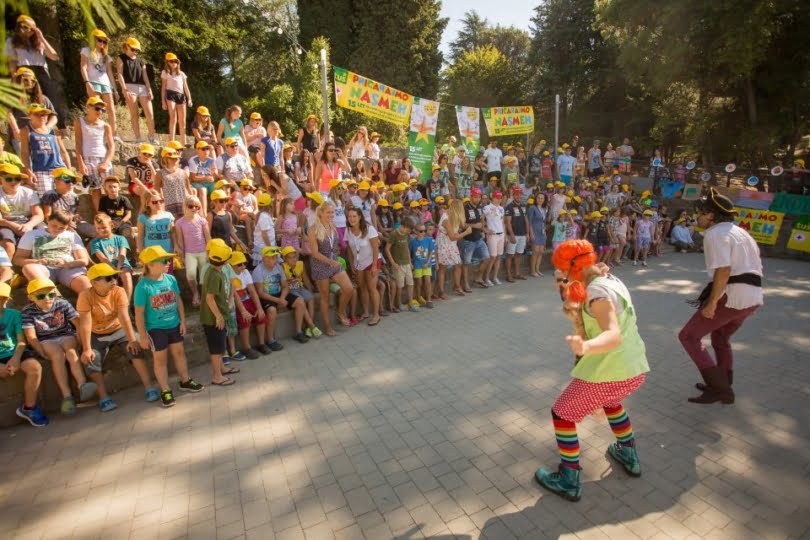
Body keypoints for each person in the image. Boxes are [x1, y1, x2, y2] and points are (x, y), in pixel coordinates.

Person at [535, 239, 650, 501]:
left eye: (562, 270)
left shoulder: (597, 293)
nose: (560, 277)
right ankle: (628, 453)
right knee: (611, 403)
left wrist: (586, 346)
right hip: (633, 367)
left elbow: (613, 335)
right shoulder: (609, 280)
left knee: (562, 414)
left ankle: (569, 479)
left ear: (572, 267)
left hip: (608, 369)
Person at [678, 187, 763, 404]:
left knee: (688, 336)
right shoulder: (740, 232)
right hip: (752, 297)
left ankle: (720, 389)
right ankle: (723, 383)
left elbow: (723, 270)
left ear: (711, 215)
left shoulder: (716, 234)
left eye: (702, 212)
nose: (698, 216)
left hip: (732, 296)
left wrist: (712, 303)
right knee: (720, 337)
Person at [78, 263, 158, 411]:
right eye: (108, 278)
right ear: (94, 282)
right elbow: (85, 324)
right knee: (91, 358)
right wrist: (87, 348)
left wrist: (133, 339)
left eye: (115, 276)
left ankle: (149, 387)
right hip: (97, 334)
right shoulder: (85, 296)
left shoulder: (119, 291)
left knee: (136, 348)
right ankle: (104, 397)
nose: (114, 281)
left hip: (119, 329)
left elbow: (124, 316)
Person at [134, 246, 204, 407]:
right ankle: (165, 390)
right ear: (151, 265)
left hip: (174, 324)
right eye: (164, 261)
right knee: (160, 360)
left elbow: (178, 300)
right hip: (155, 329)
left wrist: (183, 321)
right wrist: (143, 336)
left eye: (169, 260)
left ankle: (185, 380)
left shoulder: (170, 279)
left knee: (179, 353)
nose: (168, 263)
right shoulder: (142, 287)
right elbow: (139, 313)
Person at [22, 278, 97, 415]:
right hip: (45, 340)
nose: (48, 299)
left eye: (51, 294)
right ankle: (67, 396)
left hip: (66, 334)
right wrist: (40, 351)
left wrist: (81, 342)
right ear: (31, 298)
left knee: (71, 352)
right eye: (41, 296)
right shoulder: (28, 312)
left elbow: (78, 323)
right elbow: (31, 336)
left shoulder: (62, 304)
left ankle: (82, 384)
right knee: (57, 356)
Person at [0, 282, 48, 426]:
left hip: (14, 352)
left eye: (2, 298)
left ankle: (29, 408)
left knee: (35, 368)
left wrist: (15, 359)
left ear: (6, 300)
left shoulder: (14, 314)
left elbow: (21, 341)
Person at [13, 208, 91, 294]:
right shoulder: (31, 235)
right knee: (29, 268)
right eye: (54, 225)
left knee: (86, 285)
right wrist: (37, 261)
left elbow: (84, 260)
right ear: (48, 219)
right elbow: (17, 259)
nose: (57, 229)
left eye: (62, 228)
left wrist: (68, 264)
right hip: (42, 268)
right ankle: (53, 296)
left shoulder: (72, 236)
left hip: (67, 268)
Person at [5, 15, 63, 127]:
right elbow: (12, 61)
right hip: (22, 71)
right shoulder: (11, 41)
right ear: (18, 27)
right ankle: (22, 127)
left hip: (40, 71)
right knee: (22, 100)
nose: (28, 31)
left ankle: (60, 127)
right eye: (25, 27)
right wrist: (14, 78)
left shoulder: (38, 42)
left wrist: (41, 37)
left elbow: (54, 56)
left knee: (51, 98)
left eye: (31, 28)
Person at [308, 202, 353, 335]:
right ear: (321, 213)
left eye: (332, 212)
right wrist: (331, 262)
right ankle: (327, 326)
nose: (331, 215)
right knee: (325, 297)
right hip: (320, 265)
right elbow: (315, 253)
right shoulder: (313, 229)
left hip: (333, 262)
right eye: (328, 212)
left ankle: (340, 312)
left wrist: (335, 260)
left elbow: (335, 247)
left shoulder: (332, 226)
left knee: (349, 289)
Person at [201, 242, 240, 386]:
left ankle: (222, 368)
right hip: (213, 319)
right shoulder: (214, 275)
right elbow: (209, 298)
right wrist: (218, 316)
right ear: (224, 260)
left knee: (220, 344)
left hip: (219, 316)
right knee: (216, 348)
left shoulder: (215, 271)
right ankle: (217, 376)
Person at [253, 245, 309, 345]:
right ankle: (270, 340)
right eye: (271, 258)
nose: (274, 260)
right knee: (272, 310)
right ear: (264, 258)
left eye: (275, 257)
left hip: (280, 294)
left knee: (300, 301)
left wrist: (282, 298)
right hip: (267, 296)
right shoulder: (258, 271)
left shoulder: (278, 267)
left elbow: (285, 286)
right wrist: (278, 301)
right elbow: (260, 293)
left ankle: (298, 332)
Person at [20, 103, 70, 197]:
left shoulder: (53, 130)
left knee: (66, 197)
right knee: (47, 199)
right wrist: (28, 171)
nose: (41, 117)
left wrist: (69, 169)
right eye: (37, 114)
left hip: (60, 168)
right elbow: (24, 153)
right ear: (30, 115)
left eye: (43, 114)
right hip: (41, 170)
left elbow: (63, 151)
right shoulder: (26, 131)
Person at [229, 251, 272, 356]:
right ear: (231, 265)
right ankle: (246, 348)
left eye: (244, 263)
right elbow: (234, 296)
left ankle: (261, 344)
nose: (243, 266)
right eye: (239, 264)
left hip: (246, 299)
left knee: (261, 316)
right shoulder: (230, 275)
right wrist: (243, 311)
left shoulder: (245, 272)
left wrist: (259, 308)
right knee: (245, 320)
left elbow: (252, 291)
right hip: (236, 302)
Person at [80, 29, 120, 141]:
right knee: (95, 108)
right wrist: (87, 82)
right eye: (100, 40)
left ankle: (114, 134)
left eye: (104, 41)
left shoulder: (106, 56)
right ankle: (95, 132)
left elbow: (110, 73)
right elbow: (83, 67)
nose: (102, 43)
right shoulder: (86, 51)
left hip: (105, 83)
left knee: (111, 108)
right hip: (93, 81)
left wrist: (115, 90)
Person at [116, 37, 157, 144]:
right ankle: (138, 137)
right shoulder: (121, 58)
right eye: (133, 49)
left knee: (150, 113)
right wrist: (124, 89)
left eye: (137, 50)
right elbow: (119, 74)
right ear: (127, 46)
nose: (135, 52)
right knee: (134, 113)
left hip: (142, 87)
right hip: (129, 86)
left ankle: (151, 136)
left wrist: (149, 90)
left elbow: (145, 76)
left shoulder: (141, 61)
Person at [6, 67, 57, 154]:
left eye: (32, 81)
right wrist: (15, 130)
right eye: (25, 80)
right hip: (21, 134)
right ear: (18, 80)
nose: (29, 83)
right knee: (27, 161)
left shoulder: (43, 98)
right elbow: (8, 113)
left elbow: (54, 116)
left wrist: (47, 128)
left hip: (41, 135)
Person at [345, 208, 381, 325]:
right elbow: (349, 250)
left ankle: (376, 315)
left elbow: (376, 248)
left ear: (360, 217)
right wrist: (352, 265)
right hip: (358, 263)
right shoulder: (348, 230)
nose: (352, 219)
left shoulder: (369, 229)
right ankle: (365, 312)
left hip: (372, 261)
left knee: (372, 288)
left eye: (354, 216)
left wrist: (375, 266)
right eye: (350, 216)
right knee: (362, 288)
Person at [0, 162, 43, 260]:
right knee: (8, 244)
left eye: (17, 179)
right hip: (6, 223)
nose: (14, 182)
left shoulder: (28, 192)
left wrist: (29, 225)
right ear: (1, 180)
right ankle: (6, 270)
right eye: (9, 179)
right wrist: (13, 225)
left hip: (28, 221)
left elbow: (39, 215)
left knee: (44, 235)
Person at [40, 168, 95, 239]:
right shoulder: (50, 195)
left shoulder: (74, 196)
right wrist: (65, 224)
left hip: (73, 223)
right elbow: (48, 215)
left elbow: (75, 213)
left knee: (98, 232)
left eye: (73, 181)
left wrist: (77, 217)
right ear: (56, 181)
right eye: (68, 180)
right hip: (57, 225)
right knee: (75, 238)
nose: (71, 183)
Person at [175, 195, 210, 307]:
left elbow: (208, 237)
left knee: (204, 275)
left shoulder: (202, 220)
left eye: (197, 206)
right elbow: (180, 240)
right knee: (190, 275)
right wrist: (182, 256)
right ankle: (196, 293)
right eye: (191, 206)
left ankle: (205, 295)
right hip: (189, 253)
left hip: (203, 251)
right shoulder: (179, 223)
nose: (194, 208)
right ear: (185, 206)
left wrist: (210, 252)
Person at [89, 214, 134, 300]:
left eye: (104, 227)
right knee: (111, 282)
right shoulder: (95, 243)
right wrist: (112, 268)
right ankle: (115, 304)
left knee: (126, 276)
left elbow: (122, 254)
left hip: (122, 264)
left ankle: (126, 303)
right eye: (98, 228)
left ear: (111, 225)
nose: (101, 230)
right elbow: (102, 258)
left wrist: (119, 266)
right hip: (107, 266)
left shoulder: (121, 238)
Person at [280, 247, 322, 337]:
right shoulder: (283, 267)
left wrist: (310, 290)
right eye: (290, 258)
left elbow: (305, 278)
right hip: (290, 289)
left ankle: (308, 327)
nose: (293, 259)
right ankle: (312, 326)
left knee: (310, 298)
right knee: (301, 301)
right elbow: (282, 284)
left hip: (300, 287)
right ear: (284, 259)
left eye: (294, 257)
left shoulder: (300, 264)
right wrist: (288, 281)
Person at [458, 188, 491, 291]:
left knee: (486, 258)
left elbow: (481, 220)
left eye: (479, 197)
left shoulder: (480, 207)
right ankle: (465, 284)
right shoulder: (465, 207)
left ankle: (478, 277)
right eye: (475, 197)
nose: (477, 199)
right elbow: (461, 224)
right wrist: (474, 225)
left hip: (478, 238)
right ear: (471, 196)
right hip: (467, 240)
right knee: (466, 263)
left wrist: (483, 229)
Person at [137, 190, 175, 266]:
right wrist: (141, 252)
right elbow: (140, 236)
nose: (158, 204)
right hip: (151, 253)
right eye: (154, 202)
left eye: (161, 201)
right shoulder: (143, 217)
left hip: (167, 251)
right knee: (152, 275)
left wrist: (176, 247)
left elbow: (173, 233)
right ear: (147, 203)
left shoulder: (168, 215)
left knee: (167, 273)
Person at [161, 52, 192, 145]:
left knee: (182, 120)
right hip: (170, 94)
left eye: (176, 61)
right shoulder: (165, 73)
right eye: (171, 61)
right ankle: (172, 141)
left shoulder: (181, 74)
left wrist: (189, 98)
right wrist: (163, 101)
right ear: (167, 62)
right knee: (173, 118)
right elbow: (163, 87)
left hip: (181, 95)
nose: (174, 63)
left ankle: (184, 142)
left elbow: (186, 87)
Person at [154, 148, 192, 218]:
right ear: (165, 159)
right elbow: (156, 189)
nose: (174, 160)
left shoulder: (183, 172)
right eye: (171, 158)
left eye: (176, 158)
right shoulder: (160, 173)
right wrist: (160, 202)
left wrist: (192, 200)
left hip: (183, 202)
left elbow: (188, 187)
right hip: (168, 204)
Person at [504, 187, 529, 282]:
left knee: (519, 254)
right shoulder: (509, 206)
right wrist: (512, 235)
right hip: (513, 235)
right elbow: (508, 222)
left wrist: (527, 233)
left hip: (522, 234)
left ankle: (517, 273)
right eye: (517, 194)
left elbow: (526, 220)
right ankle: (508, 275)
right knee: (510, 255)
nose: (519, 196)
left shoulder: (523, 205)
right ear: (513, 195)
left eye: (520, 194)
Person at [98, 175, 134, 241]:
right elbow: (102, 214)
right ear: (105, 188)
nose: (112, 189)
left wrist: (120, 222)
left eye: (115, 187)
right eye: (110, 187)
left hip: (123, 222)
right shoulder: (103, 200)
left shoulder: (124, 199)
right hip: (109, 223)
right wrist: (109, 223)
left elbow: (128, 214)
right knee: (105, 234)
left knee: (127, 233)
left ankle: (132, 250)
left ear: (119, 188)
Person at [409, 221, 435, 309]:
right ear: (415, 231)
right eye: (421, 231)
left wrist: (428, 262)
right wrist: (410, 263)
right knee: (418, 282)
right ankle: (418, 297)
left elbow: (431, 251)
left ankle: (429, 299)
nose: (423, 233)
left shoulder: (428, 240)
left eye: (424, 231)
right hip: (417, 264)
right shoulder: (413, 242)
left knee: (427, 281)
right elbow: (409, 252)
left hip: (427, 264)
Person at [483, 191, 506, 286]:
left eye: (500, 197)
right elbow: (482, 220)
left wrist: (505, 235)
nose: (499, 199)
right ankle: (486, 278)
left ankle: (495, 277)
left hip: (501, 234)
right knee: (493, 257)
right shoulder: (487, 208)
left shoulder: (501, 208)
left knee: (498, 257)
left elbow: (502, 222)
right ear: (493, 198)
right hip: (492, 235)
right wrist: (485, 230)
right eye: (497, 197)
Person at [126, 143, 157, 208]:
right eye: (144, 153)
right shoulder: (132, 161)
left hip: (149, 185)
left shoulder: (154, 163)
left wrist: (151, 166)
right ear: (139, 152)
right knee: (143, 191)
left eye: (149, 155)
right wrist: (145, 188)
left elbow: (156, 179)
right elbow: (134, 178)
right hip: (135, 185)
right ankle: (143, 210)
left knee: (157, 191)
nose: (146, 156)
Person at [528, 193, 548, 277]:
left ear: (544, 200)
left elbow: (544, 222)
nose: (540, 200)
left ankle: (537, 269)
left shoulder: (544, 209)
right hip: (534, 231)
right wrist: (531, 233)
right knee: (535, 252)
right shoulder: (532, 208)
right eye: (538, 198)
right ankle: (532, 271)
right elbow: (529, 221)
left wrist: (545, 232)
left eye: (542, 198)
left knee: (540, 252)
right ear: (536, 199)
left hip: (542, 232)